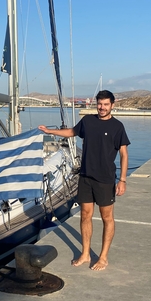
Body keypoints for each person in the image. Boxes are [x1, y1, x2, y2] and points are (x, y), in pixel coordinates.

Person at [39, 90, 130, 271]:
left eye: (105, 104)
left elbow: (124, 154)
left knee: (107, 218)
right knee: (85, 215)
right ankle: (85, 253)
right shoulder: (88, 121)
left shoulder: (117, 127)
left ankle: (103, 257)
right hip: (86, 176)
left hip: (105, 179)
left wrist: (122, 180)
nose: (102, 107)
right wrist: (50, 131)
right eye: (99, 104)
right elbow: (72, 132)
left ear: (112, 105)